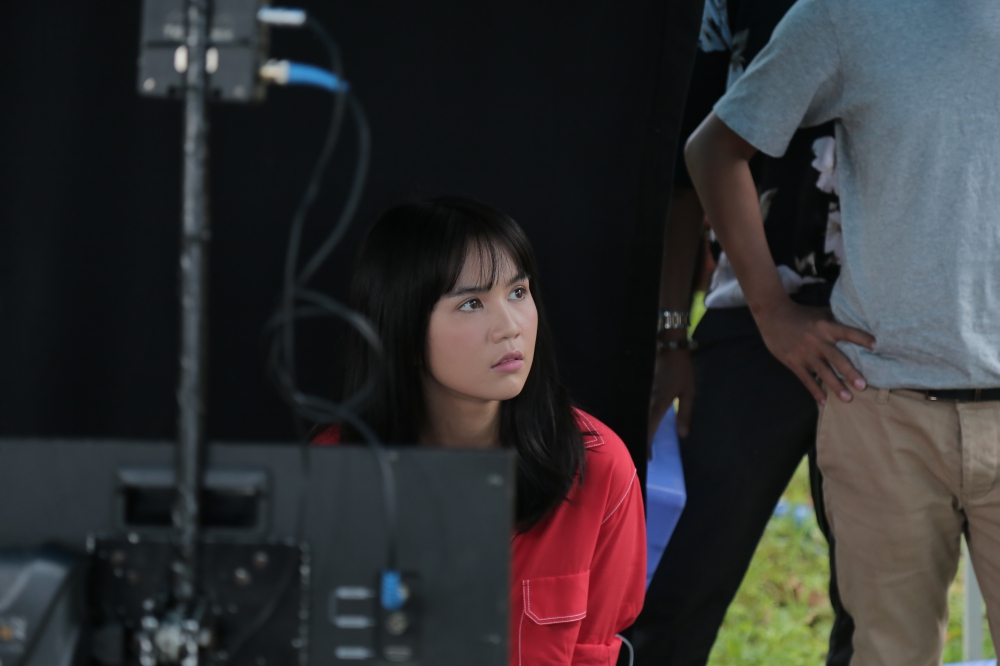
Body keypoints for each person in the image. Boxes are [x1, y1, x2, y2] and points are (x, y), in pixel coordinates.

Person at [683, 0, 1000, 663]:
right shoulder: (846, 13)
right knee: (883, 653)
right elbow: (713, 148)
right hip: (883, 409)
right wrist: (770, 310)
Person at [313, 196, 646, 666]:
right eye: (471, 303)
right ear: (403, 327)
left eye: (518, 292)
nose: (509, 327)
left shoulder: (599, 467)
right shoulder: (334, 476)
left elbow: (595, 650)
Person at [632, 0, 853, 663]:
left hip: (885, 330)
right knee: (673, 582)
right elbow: (684, 173)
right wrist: (672, 337)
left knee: (876, 607)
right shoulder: (726, 7)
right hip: (751, 316)